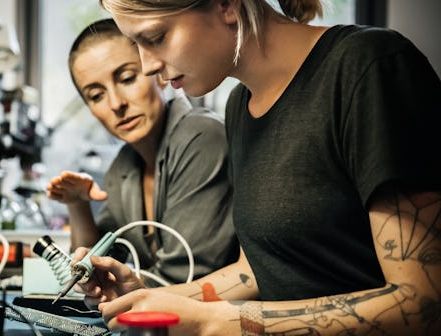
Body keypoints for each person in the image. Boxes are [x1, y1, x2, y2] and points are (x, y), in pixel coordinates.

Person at [72, 0, 441, 335]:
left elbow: (423, 304)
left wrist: (216, 323)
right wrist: (149, 298)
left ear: (226, 5)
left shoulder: (369, 67)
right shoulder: (240, 106)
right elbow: (256, 271)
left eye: (155, 37)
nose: (148, 64)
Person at [46, 18, 239, 286]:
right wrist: (77, 205)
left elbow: (185, 278)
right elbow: (88, 270)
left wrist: (112, 288)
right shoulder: (123, 167)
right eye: (96, 95)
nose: (116, 104)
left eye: (126, 78)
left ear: (158, 72)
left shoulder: (202, 136)